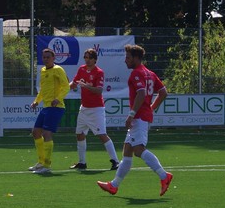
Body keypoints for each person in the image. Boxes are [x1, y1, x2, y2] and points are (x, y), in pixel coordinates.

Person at [97, 44, 173, 196]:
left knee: (138, 150)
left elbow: (141, 93)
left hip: (139, 117)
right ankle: (114, 185)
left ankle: (164, 176)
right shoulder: (150, 73)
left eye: (128, 58)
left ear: (136, 58)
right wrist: (151, 108)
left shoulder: (136, 73)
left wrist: (131, 114)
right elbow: (163, 92)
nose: (125, 60)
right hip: (143, 115)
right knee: (127, 151)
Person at [69, 47, 119, 171]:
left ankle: (115, 161)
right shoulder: (81, 69)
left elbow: (99, 91)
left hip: (96, 109)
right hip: (84, 108)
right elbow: (74, 84)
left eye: (90, 58)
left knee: (102, 135)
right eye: (85, 57)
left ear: (95, 60)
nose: (87, 60)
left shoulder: (99, 72)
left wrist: (86, 86)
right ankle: (82, 162)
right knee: (79, 134)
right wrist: (63, 88)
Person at [28, 47, 70, 174]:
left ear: (53, 58)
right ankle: (41, 162)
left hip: (56, 107)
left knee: (47, 133)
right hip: (46, 107)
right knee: (36, 132)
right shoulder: (43, 70)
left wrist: (58, 99)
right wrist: (36, 101)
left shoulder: (58, 69)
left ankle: (47, 165)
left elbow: (66, 86)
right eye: (44, 57)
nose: (46, 59)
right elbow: (42, 90)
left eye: (48, 57)